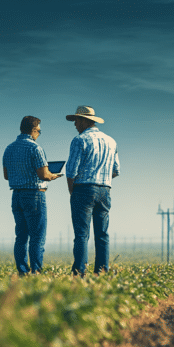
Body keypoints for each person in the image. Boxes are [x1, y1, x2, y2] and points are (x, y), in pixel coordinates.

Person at [2, 116, 62, 275]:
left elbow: (6, 175)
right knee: (37, 237)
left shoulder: (9, 148)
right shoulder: (36, 148)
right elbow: (43, 175)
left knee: (21, 236)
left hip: (16, 195)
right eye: (39, 131)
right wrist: (53, 175)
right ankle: (36, 272)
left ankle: (22, 271)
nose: (39, 134)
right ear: (34, 130)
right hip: (34, 195)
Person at [65, 105, 120, 277]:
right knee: (102, 234)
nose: (75, 125)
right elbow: (116, 170)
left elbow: (71, 171)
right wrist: (101, 178)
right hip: (105, 189)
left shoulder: (79, 140)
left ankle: (79, 273)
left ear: (84, 121)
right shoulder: (111, 141)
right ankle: (102, 272)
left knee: (81, 234)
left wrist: (72, 191)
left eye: (76, 121)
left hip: (83, 189)